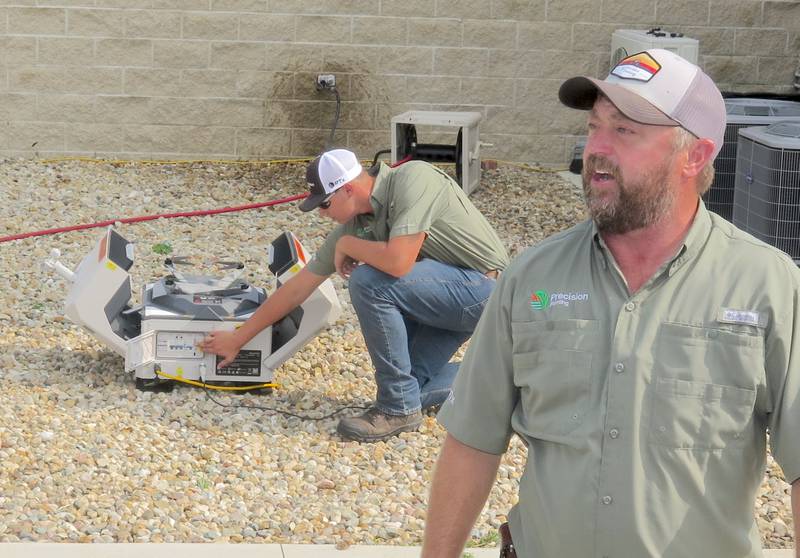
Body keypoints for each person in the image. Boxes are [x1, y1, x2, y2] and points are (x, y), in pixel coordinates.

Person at [422, 49, 800, 558]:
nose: (596, 148)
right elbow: (472, 439)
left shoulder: (768, 286)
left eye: (624, 131)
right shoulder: (533, 277)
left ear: (695, 155)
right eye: (595, 126)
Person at [199, 149, 509, 442]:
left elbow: (398, 262)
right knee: (409, 382)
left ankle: (397, 411)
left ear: (347, 189)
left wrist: (347, 247)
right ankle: (491, 383)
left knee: (368, 280)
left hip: (486, 293)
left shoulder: (414, 179)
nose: (322, 214)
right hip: (445, 301)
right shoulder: (359, 223)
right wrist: (237, 339)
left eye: (324, 204)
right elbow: (297, 288)